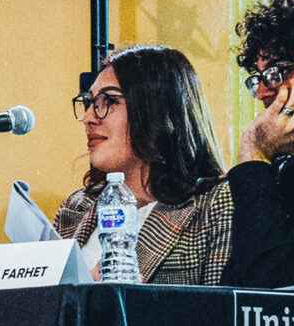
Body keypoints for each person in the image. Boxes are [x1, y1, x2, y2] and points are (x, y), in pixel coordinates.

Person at [54, 44, 232, 285]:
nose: (88, 118)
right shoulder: (75, 208)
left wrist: (133, 303)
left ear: (156, 109)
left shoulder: (214, 204)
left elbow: (222, 317)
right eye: (90, 102)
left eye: (109, 101)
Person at [223, 0, 294, 287]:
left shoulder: (263, 166)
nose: (262, 91)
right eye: (259, 77)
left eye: (279, 71)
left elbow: (284, 286)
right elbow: (239, 291)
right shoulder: (284, 174)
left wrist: (253, 152)